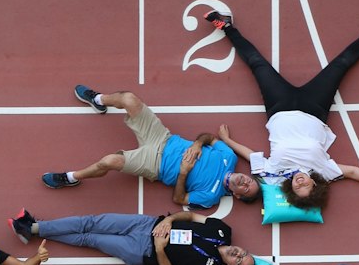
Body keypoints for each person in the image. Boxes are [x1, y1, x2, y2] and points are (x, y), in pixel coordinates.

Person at [203, 8, 359, 213]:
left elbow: (251, 155)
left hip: (279, 106)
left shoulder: (275, 176)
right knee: (341, 65)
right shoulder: (324, 173)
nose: (300, 183)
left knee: (257, 63)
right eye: (305, 185)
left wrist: (227, 141)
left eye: (297, 188)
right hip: (314, 107)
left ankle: (226, 26)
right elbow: (352, 172)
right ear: (314, 184)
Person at [41, 85, 238, 209]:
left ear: (237, 194)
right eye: (249, 181)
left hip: (155, 164)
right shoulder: (229, 157)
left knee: (109, 161)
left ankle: (71, 178)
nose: (245, 182)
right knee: (129, 99)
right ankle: (99, 100)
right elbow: (209, 137)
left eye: (245, 189)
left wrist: (184, 173)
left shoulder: (211, 196)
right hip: (163, 138)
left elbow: (179, 199)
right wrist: (197, 143)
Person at [10, 208, 255, 265]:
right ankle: (32, 229)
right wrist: (169, 220)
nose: (238, 253)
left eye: (240, 259)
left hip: (141, 251)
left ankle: (31, 229)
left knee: (90, 238)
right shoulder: (223, 231)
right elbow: (190, 216)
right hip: (146, 223)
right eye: (244, 252)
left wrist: (160, 249)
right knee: (91, 221)